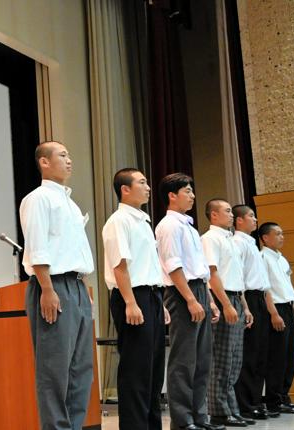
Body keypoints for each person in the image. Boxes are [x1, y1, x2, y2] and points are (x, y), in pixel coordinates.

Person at [20, 141, 95, 430]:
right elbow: (37, 246)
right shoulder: (39, 198)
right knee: (54, 371)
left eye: (69, 154)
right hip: (53, 285)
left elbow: (75, 250)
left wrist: (85, 290)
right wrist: (48, 290)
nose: (69, 160)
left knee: (81, 369)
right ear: (44, 162)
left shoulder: (70, 203)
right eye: (62, 155)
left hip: (76, 286)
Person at [102, 168, 169, 430]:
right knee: (136, 369)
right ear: (125, 189)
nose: (148, 187)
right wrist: (130, 302)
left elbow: (148, 266)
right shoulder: (119, 221)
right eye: (142, 182)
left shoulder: (142, 220)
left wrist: (160, 303)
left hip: (151, 295)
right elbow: (120, 266)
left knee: (153, 367)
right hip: (132, 295)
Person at [154, 173, 222, 430]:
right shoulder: (168, 226)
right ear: (172, 195)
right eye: (187, 191)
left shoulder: (188, 227)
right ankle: (182, 421)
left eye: (192, 191)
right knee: (184, 361)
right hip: (182, 295)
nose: (192, 195)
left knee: (202, 359)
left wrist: (210, 301)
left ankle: (199, 416)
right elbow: (173, 266)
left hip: (197, 291)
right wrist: (192, 301)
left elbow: (200, 269)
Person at [201, 199, 253, 427]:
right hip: (223, 298)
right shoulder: (210, 238)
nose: (232, 215)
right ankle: (219, 411)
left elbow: (236, 275)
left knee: (235, 359)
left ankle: (232, 407)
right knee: (221, 360)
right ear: (213, 215)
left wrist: (244, 305)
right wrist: (226, 304)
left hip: (235, 297)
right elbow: (211, 274)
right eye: (228, 211)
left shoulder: (230, 239)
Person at [231, 205, 277, 420]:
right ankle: (245, 403)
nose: (255, 219)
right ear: (239, 220)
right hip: (247, 296)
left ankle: (257, 400)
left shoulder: (251, 242)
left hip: (259, 297)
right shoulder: (237, 242)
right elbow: (238, 276)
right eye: (250, 215)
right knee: (249, 353)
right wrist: (245, 306)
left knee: (261, 354)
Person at [259, 222, 294, 415]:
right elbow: (266, 288)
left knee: (289, 356)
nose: (282, 237)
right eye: (277, 234)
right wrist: (273, 314)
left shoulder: (282, 259)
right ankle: (273, 400)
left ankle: (284, 396)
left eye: (282, 233)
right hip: (275, 308)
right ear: (265, 238)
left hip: (287, 306)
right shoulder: (263, 257)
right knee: (277, 358)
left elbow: (288, 286)